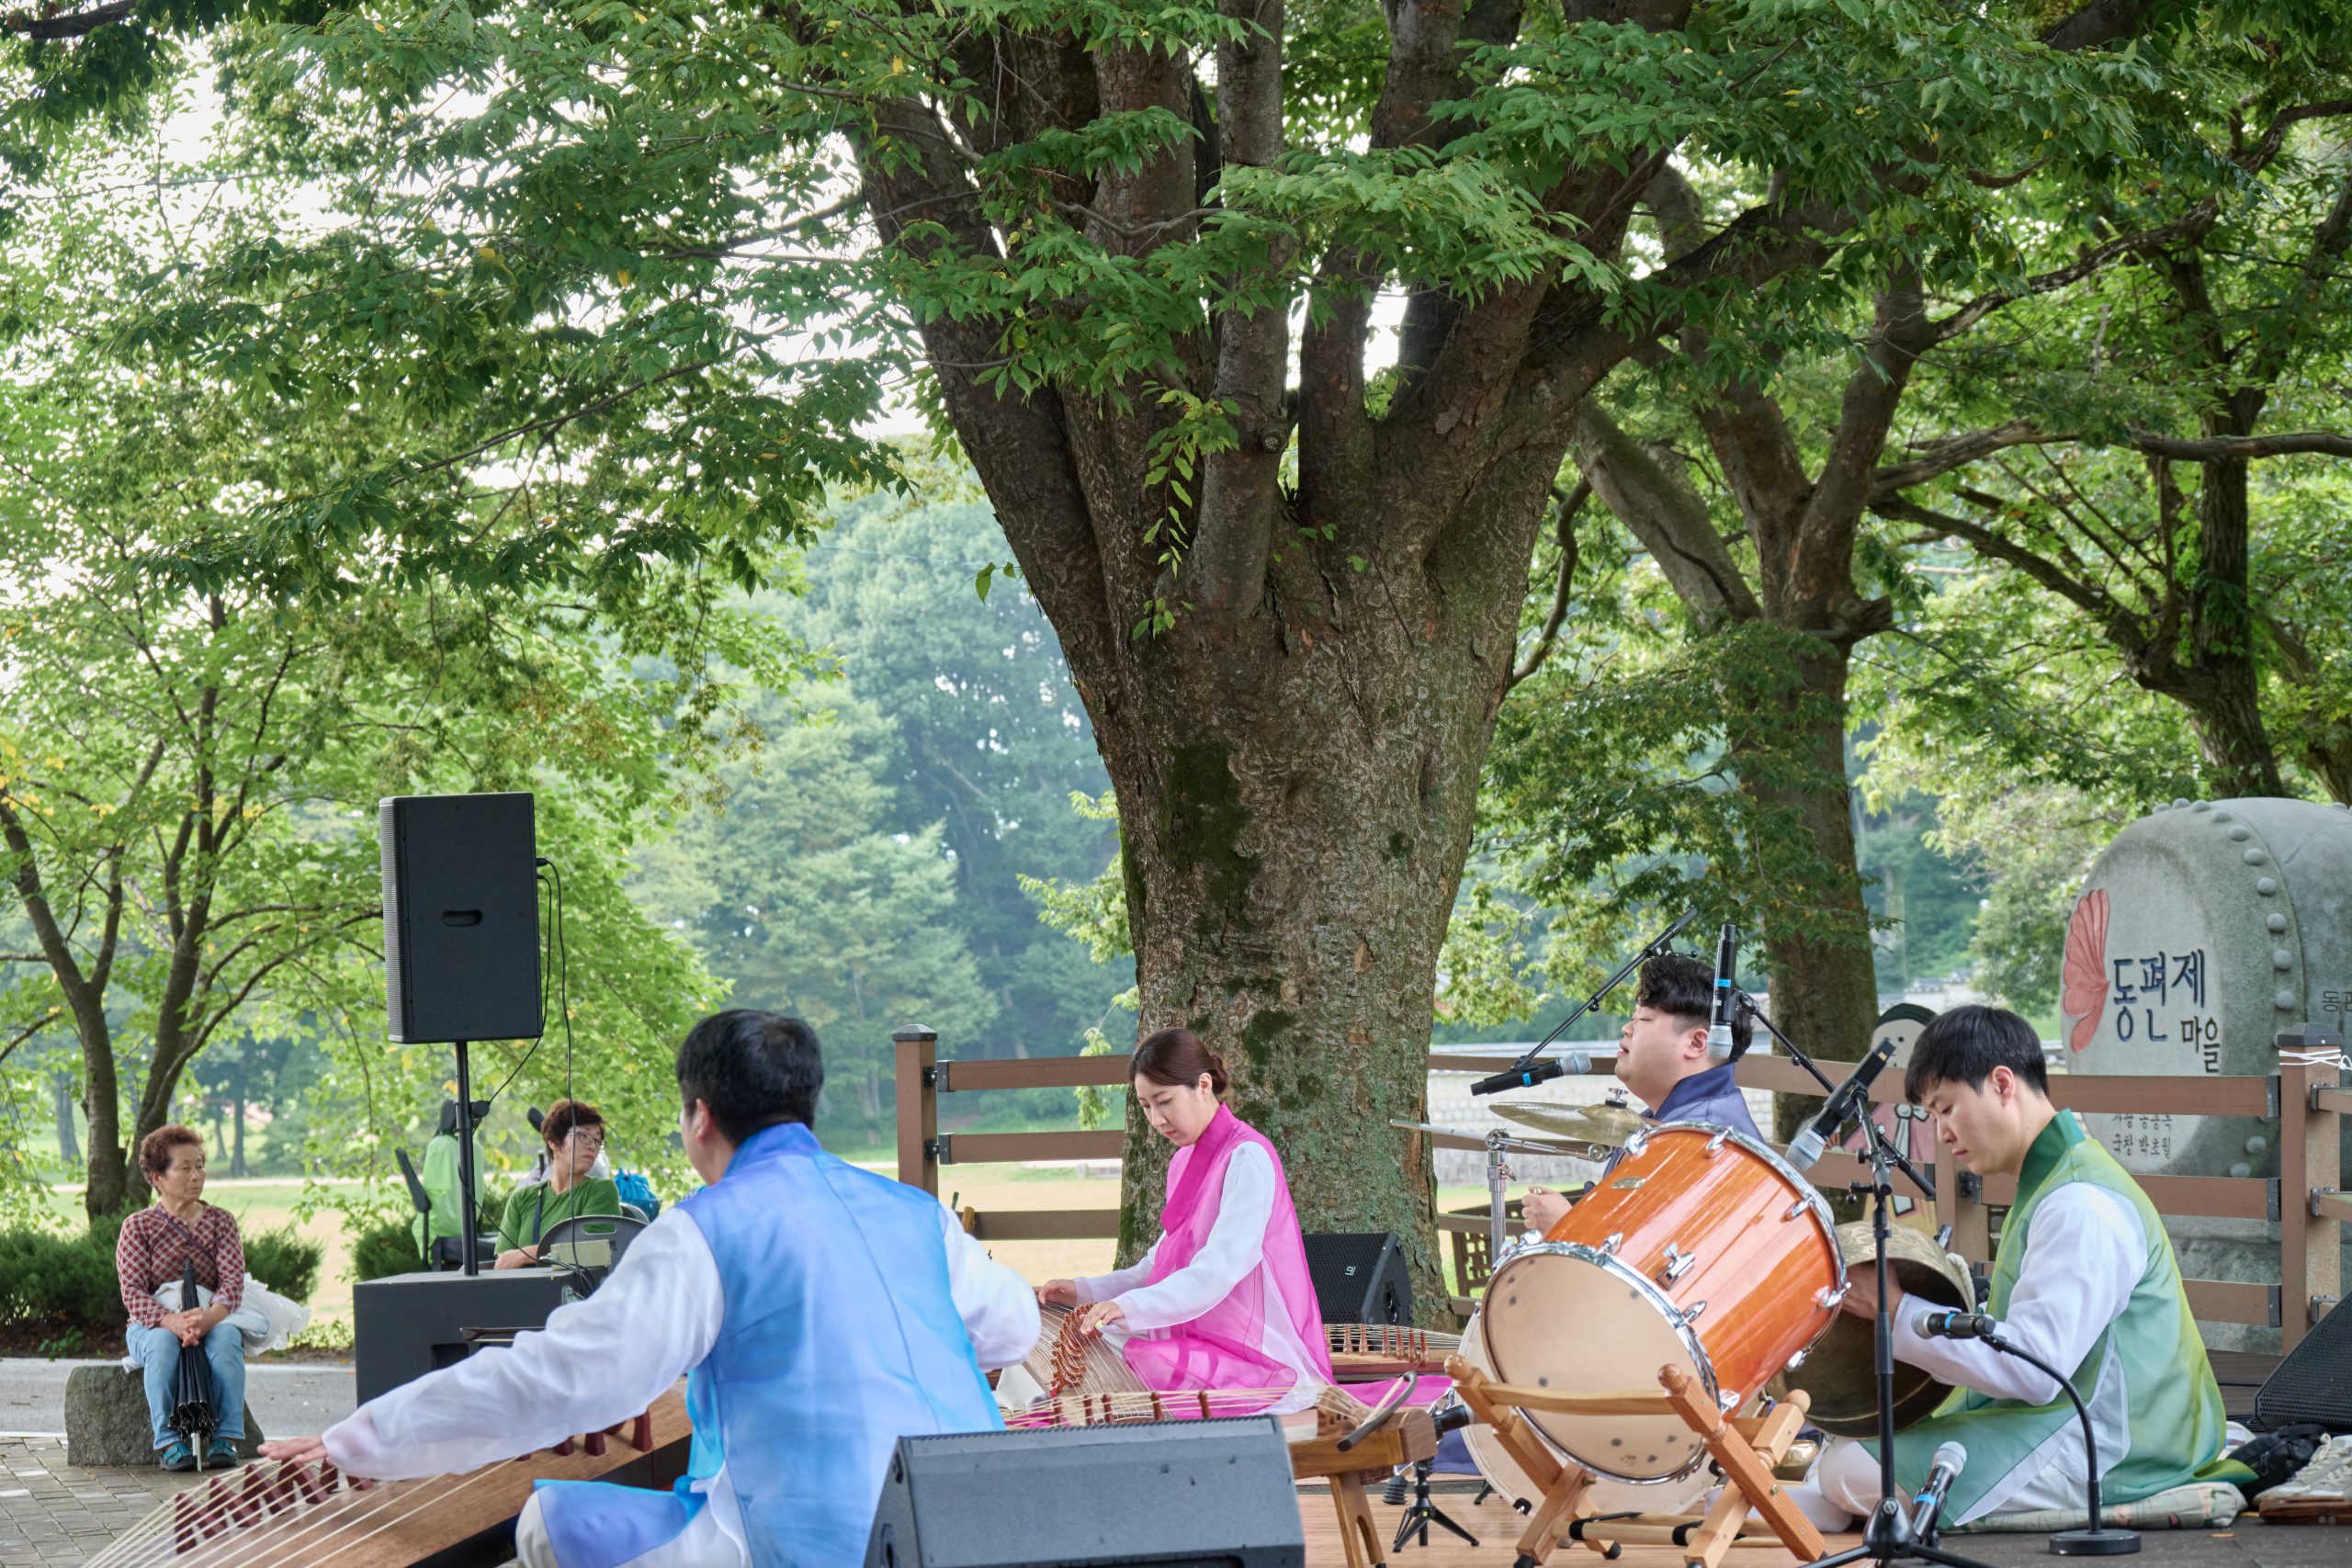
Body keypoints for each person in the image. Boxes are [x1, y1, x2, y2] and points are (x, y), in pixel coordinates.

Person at [262, 1010, 1038, 1568]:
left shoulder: (708, 1227)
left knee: (547, 1524)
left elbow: (563, 1377)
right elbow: (1011, 1330)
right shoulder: (916, 1212)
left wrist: (356, 1441)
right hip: (979, 1522)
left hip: (817, 1542)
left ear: (699, 1117)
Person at [1792, 1004, 2240, 1529]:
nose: (1941, 1134)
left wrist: (1899, 1310)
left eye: (1946, 1108)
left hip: (2118, 1447)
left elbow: (2037, 1368)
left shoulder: (2080, 1202)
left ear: (2002, 1083)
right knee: (1843, 1457)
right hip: (2082, 1420)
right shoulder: (2058, 1181)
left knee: (1847, 1464)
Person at [1036, 1028, 1333, 1415]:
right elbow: (1157, 1265)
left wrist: (1130, 1306)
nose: (1156, 1119)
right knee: (1075, 1341)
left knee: (1131, 1358)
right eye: (1145, 1106)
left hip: (1258, 1360)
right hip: (1200, 1342)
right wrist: (1083, 1291)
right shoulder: (1184, 1161)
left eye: (1164, 1102)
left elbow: (1218, 1270)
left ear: (1203, 1085)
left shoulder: (1248, 1158)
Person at [1521, 953, 1758, 1234]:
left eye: (1644, 1019)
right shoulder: (1679, 1118)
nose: (1627, 1028)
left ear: (1696, 1043)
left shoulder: (1704, 1139)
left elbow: (1659, 1262)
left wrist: (1568, 1225)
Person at [116, 1124, 248, 1472]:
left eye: (200, 1166)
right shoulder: (138, 1226)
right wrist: (173, 1323)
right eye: (185, 1168)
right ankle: (168, 1441)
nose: (197, 1176)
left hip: (211, 1317)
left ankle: (227, 1439)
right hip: (152, 1325)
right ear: (157, 1177)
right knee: (161, 1344)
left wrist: (206, 1321)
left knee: (228, 1338)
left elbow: (233, 1284)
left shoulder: (221, 1222)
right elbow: (132, 1293)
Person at [495, 1099, 621, 1269]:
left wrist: (524, 1255)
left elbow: (594, 1250)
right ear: (553, 1142)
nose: (593, 1146)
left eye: (598, 1140)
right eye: (583, 1136)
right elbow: (504, 1261)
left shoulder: (601, 1191)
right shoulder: (521, 1199)